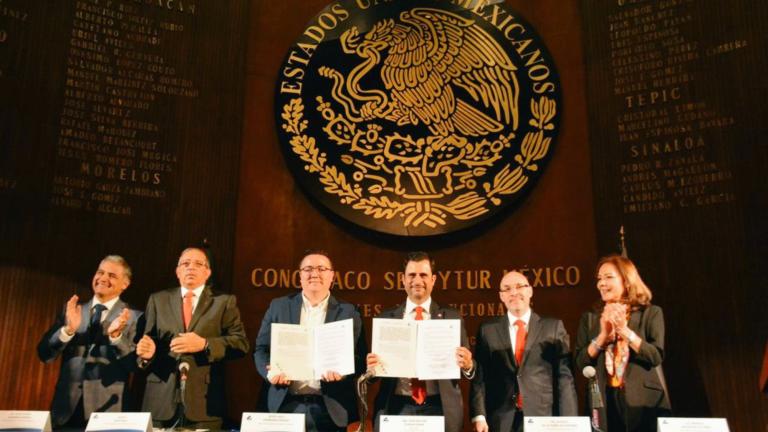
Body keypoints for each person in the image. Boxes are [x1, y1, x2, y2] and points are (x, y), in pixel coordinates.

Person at [136, 247, 249, 429]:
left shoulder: (224, 302)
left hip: (204, 404)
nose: (191, 268)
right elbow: (146, 344)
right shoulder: (158, 299)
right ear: (177, 271)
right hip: (160, 401)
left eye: (198, 264)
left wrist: (204, 344)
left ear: (207, 272)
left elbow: (241, 344)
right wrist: (146, 354)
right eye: (185, 263)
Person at [254, 250, 367, 432]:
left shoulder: (349, 312)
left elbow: (360, 358)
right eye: (308, 269)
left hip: (330, 408)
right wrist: (270, 372)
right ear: (300, 276)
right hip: (285, 404)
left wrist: (343, 372)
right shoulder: (279, 306)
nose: (314, 274)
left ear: (332, 276)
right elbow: (261, 349)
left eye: (321, 269)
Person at [367, 251, 475, 432]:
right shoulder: (387, 319)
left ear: (433, 280)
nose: (417, 281)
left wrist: (468, 365)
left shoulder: (452, 318)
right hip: (396, 407)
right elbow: (374, 375)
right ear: (403, 280)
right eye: (412, 275)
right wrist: (372, 368)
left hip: (439, 407)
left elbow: (469, 371)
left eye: (423, 275)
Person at [37, 255, 140, 428]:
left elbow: (135, 365)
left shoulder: (134, 317)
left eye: (112, 276)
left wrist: (116, 338)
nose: (103, 278)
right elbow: (44, 354)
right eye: (100, 272)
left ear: (125, 284)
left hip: (109, 412)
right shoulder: (73, 311)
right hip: (65, 411)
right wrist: (67, 331)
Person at [470, 271, 577, 432]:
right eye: (507, 289)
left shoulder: (553, 327)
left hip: (543, 418)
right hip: (500, 420)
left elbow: (565, 378)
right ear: (501, 296)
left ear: (530, 291)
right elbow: (480, 377)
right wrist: (479, 415)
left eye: (520, 286)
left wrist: (569, 421)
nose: (514, 292)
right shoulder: (488, 330)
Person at [575, 255, 671, 431]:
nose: (601, 283)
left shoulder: (650, 313)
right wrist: (603, 336)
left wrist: (624, 331)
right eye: (599, 279)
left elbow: (655, 356)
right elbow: (581, 362)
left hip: (643, 401)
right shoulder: (590, 318)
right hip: (603, 401)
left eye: (608, 277)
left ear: (627, 280)